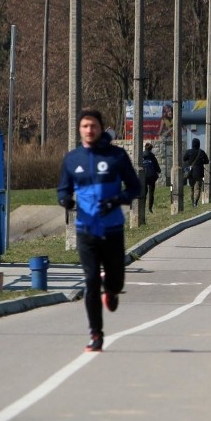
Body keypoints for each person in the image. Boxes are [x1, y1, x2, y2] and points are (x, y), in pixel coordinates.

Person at [57, 108, 141, 352]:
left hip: (113, 228)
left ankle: (112, 291)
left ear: (100, 127)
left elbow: (135, 187)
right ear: (79, 130)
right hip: (86, 230)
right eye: (85, 126)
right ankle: (96, 334)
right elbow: (63, 189)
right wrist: (66, 201)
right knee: (91, 280)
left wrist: (117, 200)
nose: (89, 130)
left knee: (115, 280)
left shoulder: (116, 156)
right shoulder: (72, 159)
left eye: (93, 125)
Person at [182, 137, 209, 207]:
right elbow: (207, 161)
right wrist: (201, 162)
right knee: (197, 188)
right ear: (199, 144)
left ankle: (192, 202)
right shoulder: (201, 152)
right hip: (199, 173)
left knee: (192, 188)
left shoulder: (189, 151)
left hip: (190, 172)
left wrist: (190, 161)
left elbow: (184, 159)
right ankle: (195, 202)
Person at [141, 142, 161, 213]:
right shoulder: (152, 156)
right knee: (151, 192)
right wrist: (158, 171)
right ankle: (150, 208)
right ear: (151, 149)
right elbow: (158, 169)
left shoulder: (141, 155)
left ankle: (142, 206)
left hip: (143, 176)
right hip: (151, 177)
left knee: (144, 191)